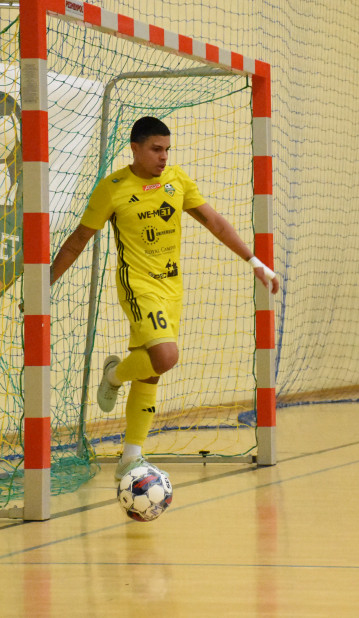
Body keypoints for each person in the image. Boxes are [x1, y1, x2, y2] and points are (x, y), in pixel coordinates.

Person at [50, 116, 280, 478]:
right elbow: (78, 239)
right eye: (156, 149)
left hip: (172, 288)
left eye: (167, 149)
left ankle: (130, 456)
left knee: (152, 371)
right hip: (137, 286)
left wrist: (254, 261)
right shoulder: (112, 188)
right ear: (136, 148)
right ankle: (114, 376)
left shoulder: (176, 180)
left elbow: (215, 222)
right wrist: (44, 283)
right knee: (165, 356)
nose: (163, 157)